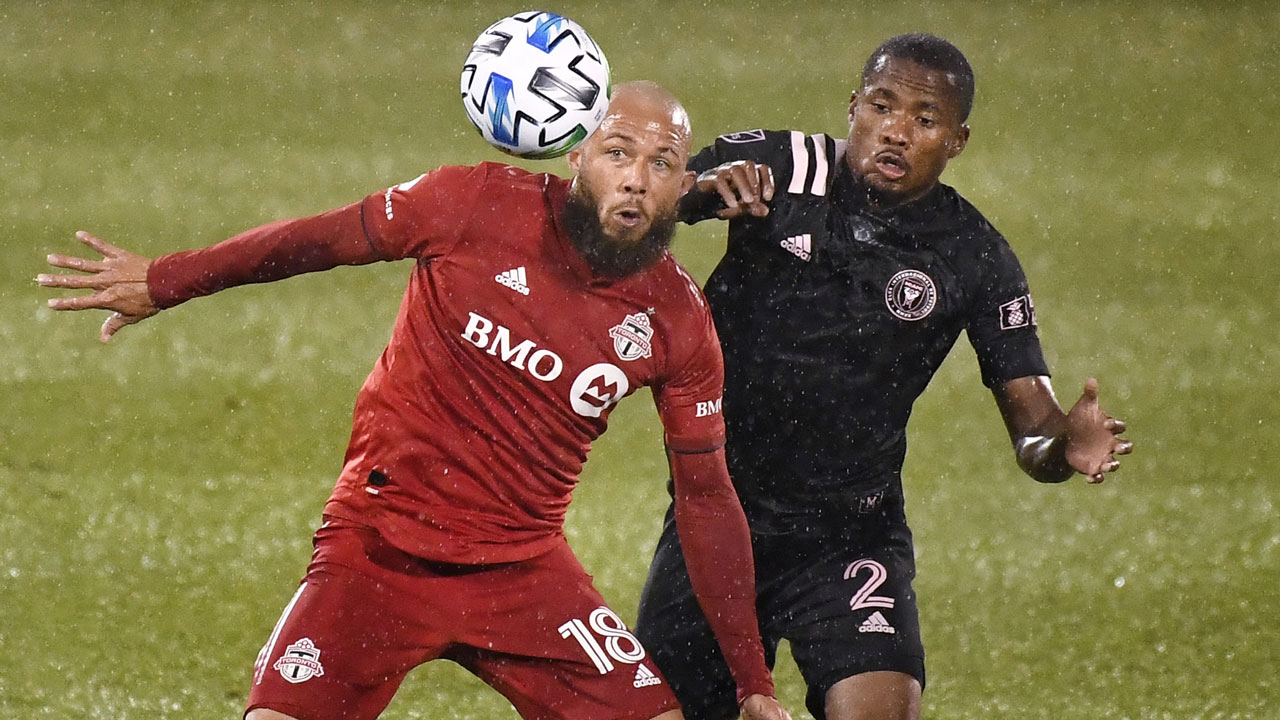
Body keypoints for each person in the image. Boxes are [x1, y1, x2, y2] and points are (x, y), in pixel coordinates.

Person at [38, 81, 793, 720]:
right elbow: (314, 241)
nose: (635, 179)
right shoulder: (470, 204)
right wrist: (166, 280)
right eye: (618, 153)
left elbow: (705, 497)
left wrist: (753, 681)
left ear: (683, 185)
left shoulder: (677, 320)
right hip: (379, 549)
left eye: (661, 163)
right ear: (576, 156)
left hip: (523, 571)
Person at [634, 35, 1134, 720]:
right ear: (854, 107)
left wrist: (1062, 447)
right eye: (882, 106)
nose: (897, 131)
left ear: (956, 141)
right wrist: (695, 191)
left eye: (925, 120)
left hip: (850, 535)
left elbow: (1033, 433)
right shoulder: (778, 166)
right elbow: (631, 214)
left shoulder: (974, 257)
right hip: (717, 520)